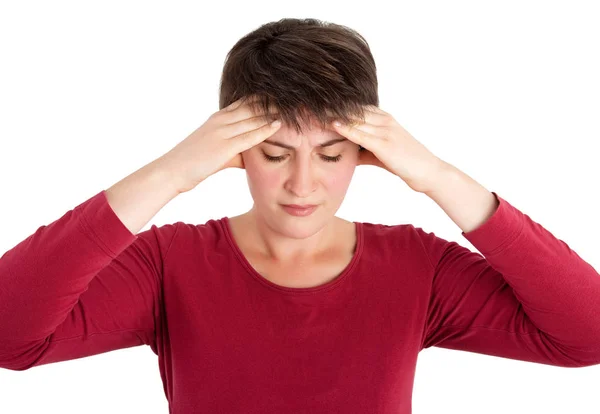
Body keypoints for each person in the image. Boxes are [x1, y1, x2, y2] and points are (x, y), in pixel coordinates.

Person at [1, 17, 600, 414]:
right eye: (274, 153)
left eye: (332, 154)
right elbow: (11, 336)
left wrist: (439, 176)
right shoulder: (169, 263)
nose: (303, 184)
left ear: (368, 154)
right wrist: (168, 174)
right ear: (232, 150)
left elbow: (585, 334)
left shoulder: (418, 267)